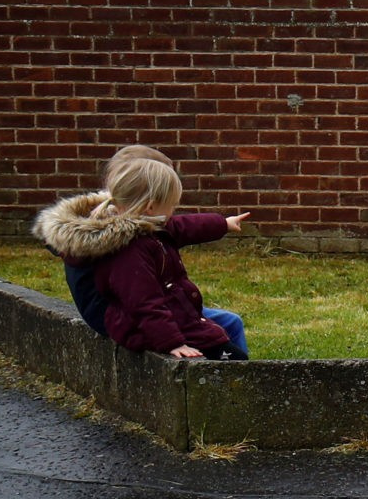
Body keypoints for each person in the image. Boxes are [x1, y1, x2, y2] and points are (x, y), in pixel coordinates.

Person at [32, 154, 251, 360]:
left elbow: (181, 227)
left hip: (166, 316)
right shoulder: (129, 250)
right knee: (233, 360)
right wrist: (172, 342)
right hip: (145, 327)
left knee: (226, 334)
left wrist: (222, 224)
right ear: (150, 207)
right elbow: (144, 302)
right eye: (172, 205)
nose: (175, 211)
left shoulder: (143, 226)